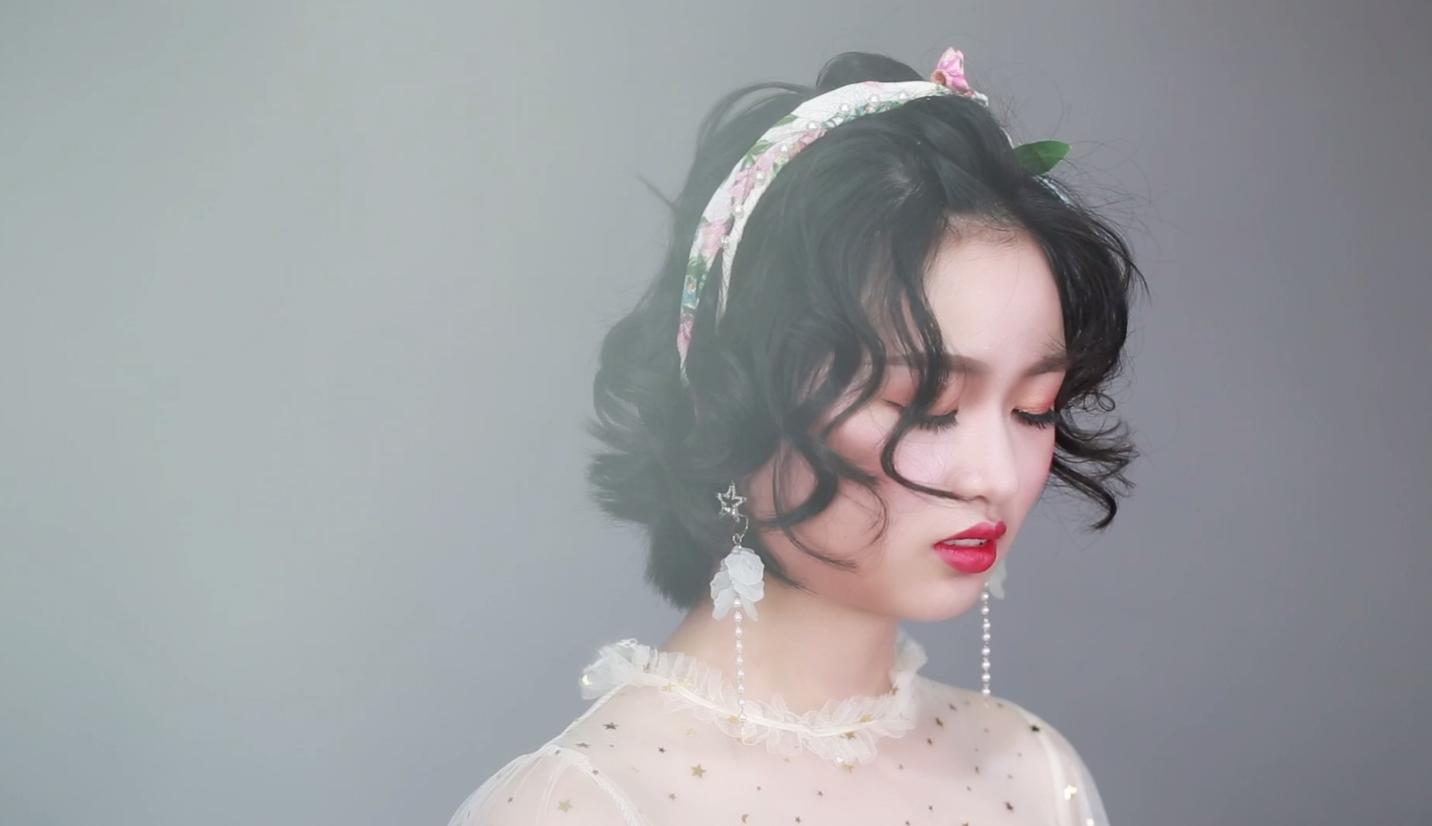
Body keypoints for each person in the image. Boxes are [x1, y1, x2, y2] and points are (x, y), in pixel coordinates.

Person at [447, 45, 1145, 826]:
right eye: (927, 405)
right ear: (737, 396)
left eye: (1034, 408)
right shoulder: (585, 804)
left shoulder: (1034, 774)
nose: (997, 476)